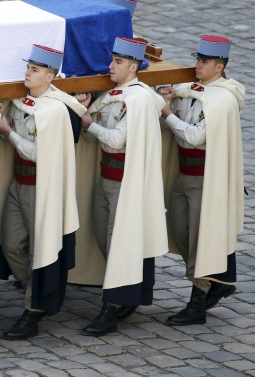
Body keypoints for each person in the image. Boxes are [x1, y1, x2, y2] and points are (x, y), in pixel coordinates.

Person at [79, 37, 168, 336]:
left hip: (125, 183)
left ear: (133, 66)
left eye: (117, 62)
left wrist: (89, 123)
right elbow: (96, 138)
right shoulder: (112, 94)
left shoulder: (138, 99)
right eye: (112, 60)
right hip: (107, 177)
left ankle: (111, 308)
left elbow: (116, 139)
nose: (110, 66)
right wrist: (89, 118)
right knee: (106, 240)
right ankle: (133, 292)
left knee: (119, 243)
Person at [0, 44, 86, 340]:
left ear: (50, 76)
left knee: (39, 249)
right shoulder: (20, 102)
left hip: (41, 188)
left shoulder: (56, 111)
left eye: (34, 70)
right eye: (28, 68)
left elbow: (37, 153)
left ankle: (32, 311)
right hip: (18, 183)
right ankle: (36, 287)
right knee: (10, 244)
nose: (27, 73)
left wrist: (9, 132)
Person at [159, 35, 245, 325]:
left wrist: (168, 113)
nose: (197, 65)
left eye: (204, 61)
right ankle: (219, 279)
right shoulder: (192, 90)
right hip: (184, 174)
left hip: (206, 182)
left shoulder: (221, 100)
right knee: (180, 231)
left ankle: (197, 303)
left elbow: (195, 137)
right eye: (197, 59)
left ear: (219, 67)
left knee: (200, 239)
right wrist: (171, 99)